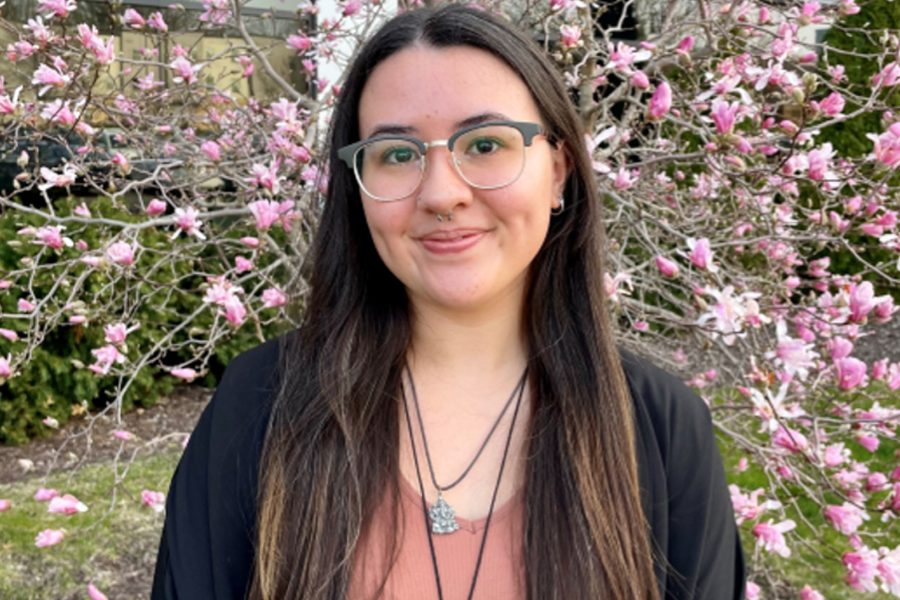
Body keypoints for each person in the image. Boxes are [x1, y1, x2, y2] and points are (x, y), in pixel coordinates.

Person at [151, 5, 746, 600]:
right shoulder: (260, 405)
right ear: (358, 191)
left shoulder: (664, 432)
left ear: (559, 171)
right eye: (397, 155)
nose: (441, 193)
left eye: (486, 144)